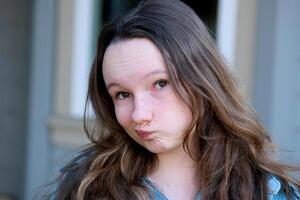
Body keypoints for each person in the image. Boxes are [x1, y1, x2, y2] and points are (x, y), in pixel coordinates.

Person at [54, 0, 300, 199]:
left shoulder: (269, 192)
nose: (139, 114)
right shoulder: (88, 188)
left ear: (201, 78)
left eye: (160, 84)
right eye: (123, 94)